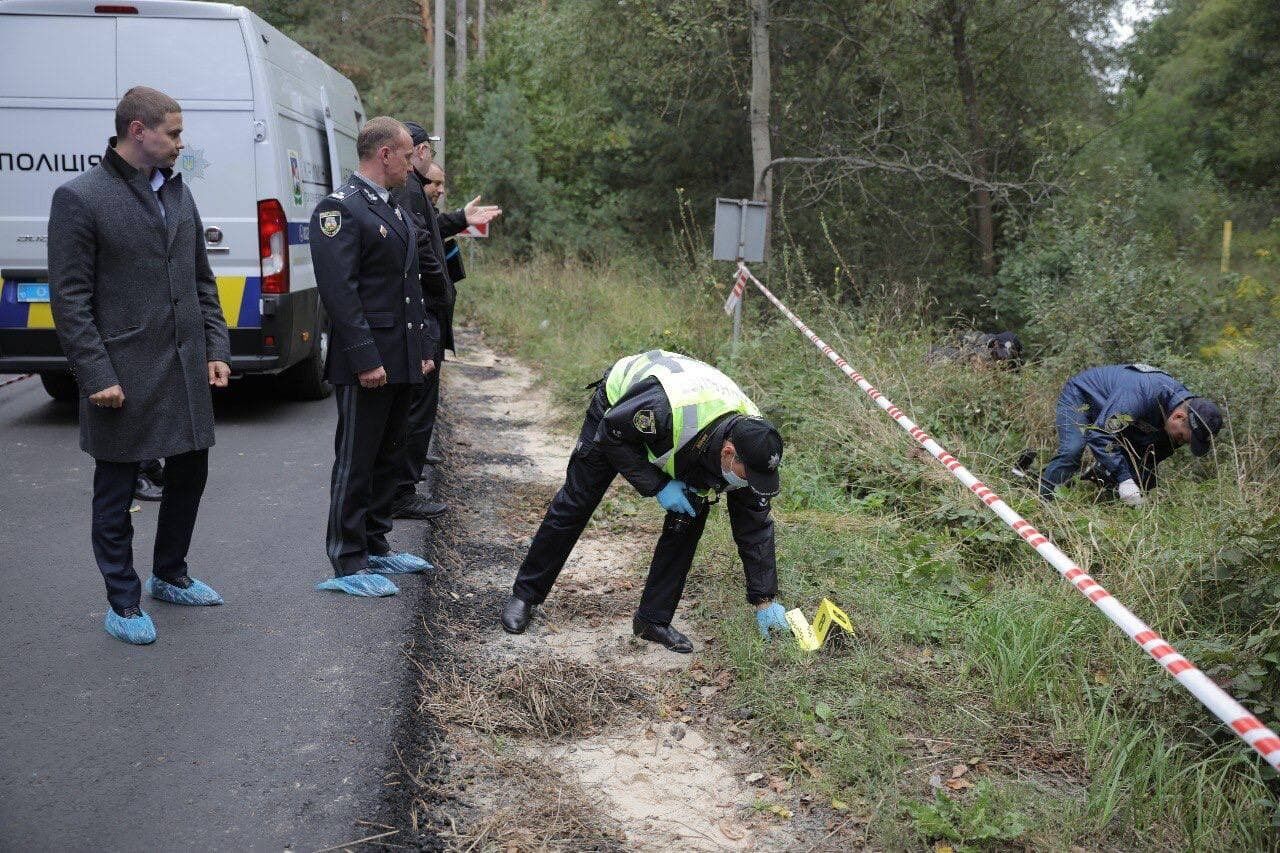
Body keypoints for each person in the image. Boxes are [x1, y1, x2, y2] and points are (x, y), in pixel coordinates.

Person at [49, 86, 230, 645]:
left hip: (184, 365)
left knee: (190, 473)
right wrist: (97, 375)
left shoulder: (177, 191)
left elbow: (201, 278)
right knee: (117, 488)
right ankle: (123, 601)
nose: (181, 143)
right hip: (123, 373)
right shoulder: (80, 197)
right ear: (137, 131)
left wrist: (217, 348)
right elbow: (70, 299)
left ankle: (170, 574)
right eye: (173, 133)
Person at [500, 350, 791, 653]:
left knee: (687, 520)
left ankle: (652, 621)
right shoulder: (662, 409)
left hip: (700, 436)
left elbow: (755, 529)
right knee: (577, 501)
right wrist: (659, 485)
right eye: (749, 476)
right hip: (617, 414)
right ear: (729, 454)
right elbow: (611, 434)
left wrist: (765, 601)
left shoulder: (755, 446)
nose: (750, 484)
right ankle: (526, 595)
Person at [309, 117, 437, 597]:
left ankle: (377, 544)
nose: (412, 163)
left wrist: (422, 348)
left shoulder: (394, 206)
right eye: (406, 155)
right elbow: (340, 294)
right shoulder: (339, 210)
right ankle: (347, 558)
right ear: (384, 154)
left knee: (389, 454)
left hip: (401, 354)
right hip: (368, 360)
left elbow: (412, 286)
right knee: (356, 458)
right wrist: (365, 359)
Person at [388, 122, 501, 519]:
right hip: (423, 314)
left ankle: (405, 479)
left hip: (429, 313)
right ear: (417, 152)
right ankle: (401, 492)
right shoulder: (407, 190)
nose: (429, 162)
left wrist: (459, 219)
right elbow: (421, 244)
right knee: (416, 405)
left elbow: (430, 230)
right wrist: (439, 285)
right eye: (427, 153)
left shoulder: (414, 193)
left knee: (419, 403)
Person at [1034, 364, 1224, 505]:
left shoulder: (1176, 422)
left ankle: (1099, 495)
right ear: (1178, 416)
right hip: (1083, 397)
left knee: (1144, 476)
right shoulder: (1145, 392)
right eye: (1182, 437)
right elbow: (1100, 435)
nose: (1179, 442)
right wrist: (1124, 479)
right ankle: (1043, 501)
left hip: (1123, 416)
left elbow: (1149, 459)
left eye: (1186, 442)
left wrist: (1137, 487)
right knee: (1072, 451)